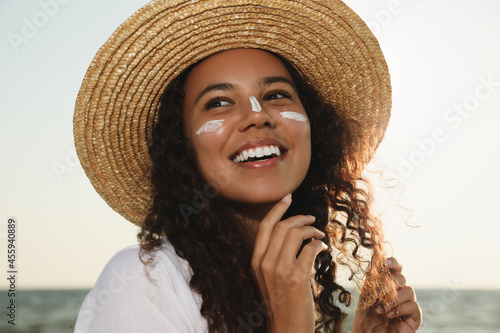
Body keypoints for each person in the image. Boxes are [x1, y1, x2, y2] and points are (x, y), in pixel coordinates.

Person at [73, 1, 422, 332]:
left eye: (275, 95)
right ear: (181, 147)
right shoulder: (145, 280)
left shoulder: (306, 286)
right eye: (219, 102)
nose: (257, 114)